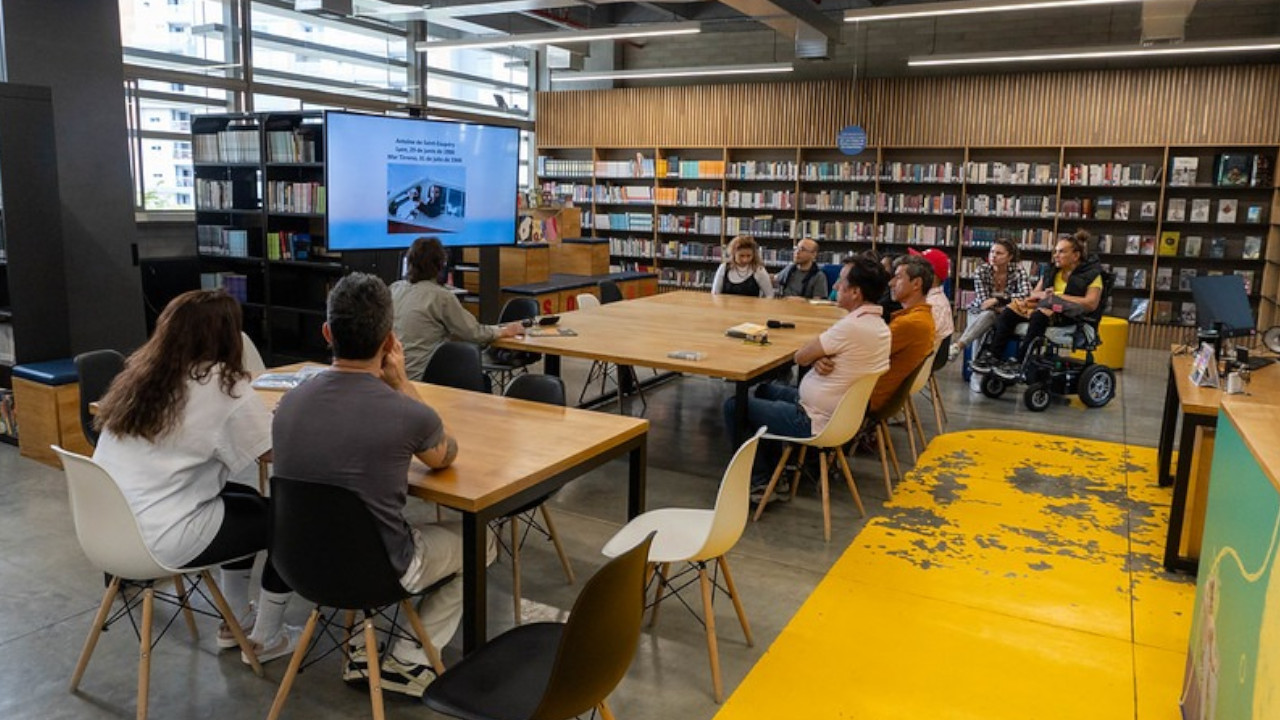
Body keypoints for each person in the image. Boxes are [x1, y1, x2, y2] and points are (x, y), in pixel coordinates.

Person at [272, 272, 474, 698]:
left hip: (299, 564)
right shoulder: (406, 414)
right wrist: (402, 383)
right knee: (482, 543)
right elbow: (445, 456)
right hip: (380, 568)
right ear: (390, 341)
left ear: (327, 332)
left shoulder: (288, 403)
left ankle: (373, 653)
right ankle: (410, 657)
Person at [93, 289, 299, 664]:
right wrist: (290, 417)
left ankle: (234, 620)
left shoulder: (141, 378)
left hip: (108, 532)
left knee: (247, 501)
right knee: (289, 522)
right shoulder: (223, 384)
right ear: (227, 336)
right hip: (164, 538)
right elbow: (273, 453)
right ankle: (266, 637)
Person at [723, 255, 891, 501]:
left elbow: (800, 356)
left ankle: (760, 483)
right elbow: (817, 356)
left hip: (815, 420)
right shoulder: (878, 326)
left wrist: (813, 356)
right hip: (840, 413)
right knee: (764, 390)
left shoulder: (850, 328)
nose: (834, 287)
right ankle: (773, 473)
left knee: (734, 406)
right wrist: (818, 357)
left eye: (841, 282)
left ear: (855, 292)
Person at [971, 230, 1103, 380]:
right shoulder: (1051, 271)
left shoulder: (1093, 275)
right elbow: (1033, 294)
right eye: (1055, 252)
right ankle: (992, 356)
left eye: (1061, 252)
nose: (1055, 256)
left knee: (1040, 315)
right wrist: (1045, 296)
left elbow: (1091, 304)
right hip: (1044, 307)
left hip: (1070, 315)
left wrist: (1059, 297)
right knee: (1009, 311)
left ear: (1075, 256)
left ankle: (1019, 362)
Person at [391, 236, 523, 382]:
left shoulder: (394, 289)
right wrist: (505, 331)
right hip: (424, 378)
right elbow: (474, 333)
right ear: (440, 265)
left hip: (392, 376)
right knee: (482, 380)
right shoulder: (441, 297)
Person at [869, 255, 937, 416]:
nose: (891, 283)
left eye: (898, 277)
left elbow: (864, 354)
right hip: (875, 396)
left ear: (916, 284)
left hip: (865, 399)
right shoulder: (921, 317)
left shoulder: (910, 323)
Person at [950, 239, 1033, 359]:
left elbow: (1026, 294)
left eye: (999, 253)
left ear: (1010, 257)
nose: (993, 256)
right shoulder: (982, 270)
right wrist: (1007, 301)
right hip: (980, 311)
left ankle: (958, 346)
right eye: (992, 252)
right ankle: (976, 375)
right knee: (985, 322)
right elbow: (985, 302)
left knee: (988, 320)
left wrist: (999, 300)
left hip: (1007, 313)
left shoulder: (1018, 270)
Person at [910, 247, 955, 347]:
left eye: (918, 268)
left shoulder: (931, 305)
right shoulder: (931, 299)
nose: (912, 271)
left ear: (932, 276)